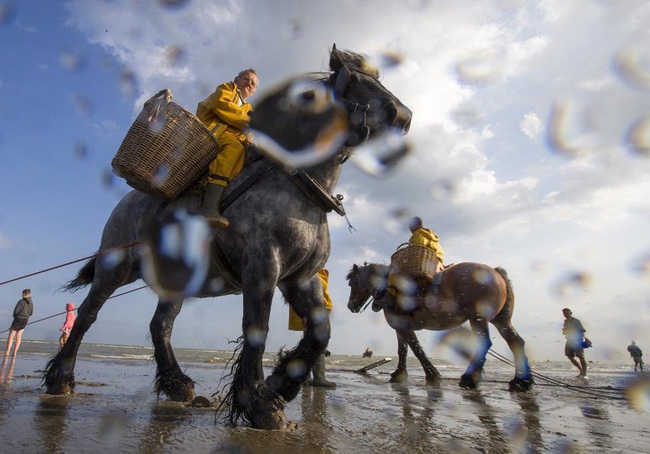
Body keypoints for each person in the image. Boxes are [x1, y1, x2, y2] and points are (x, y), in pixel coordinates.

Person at [196, 68, 259, 228]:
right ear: (236, 79)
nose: (248, 84)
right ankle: (208, 208)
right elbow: (223, 106)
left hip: (228, 138)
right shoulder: (226, 88)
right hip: (209, 134)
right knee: (234, 148)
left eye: (252, 84)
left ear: (253, 91)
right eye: (245, 79)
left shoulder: (248, 108)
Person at [288, 268, 336, 388]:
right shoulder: (310, 271)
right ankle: (319, 378)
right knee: (318, 342)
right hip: (313, 312)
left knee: (309, 342)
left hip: (316, 312)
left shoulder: (318, 271)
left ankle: (307, 377)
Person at [4, 289, 34, 358]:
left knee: (11, 335)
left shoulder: (21, 301)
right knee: (19, 335)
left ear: (25, 294)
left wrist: (15, 316)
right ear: (29, 294)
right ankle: (15, 352)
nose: (23, 295)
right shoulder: (31, 303)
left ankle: (7, 351)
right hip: (25, 320)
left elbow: (16, 311)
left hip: (18, 319)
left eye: (23, 294)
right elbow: (31, 313)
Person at [561, 308, 588, 379]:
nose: (565, 314)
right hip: (569, 340)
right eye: (564, 313)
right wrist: (565, 331)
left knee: (581, 357)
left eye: (567, 313)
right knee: (569, 355)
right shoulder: (565, 322)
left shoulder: (576, 321)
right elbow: (565, 332)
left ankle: (585, 373)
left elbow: (582, 330)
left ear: (570, 313)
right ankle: (581, 370)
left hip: (577, 340)